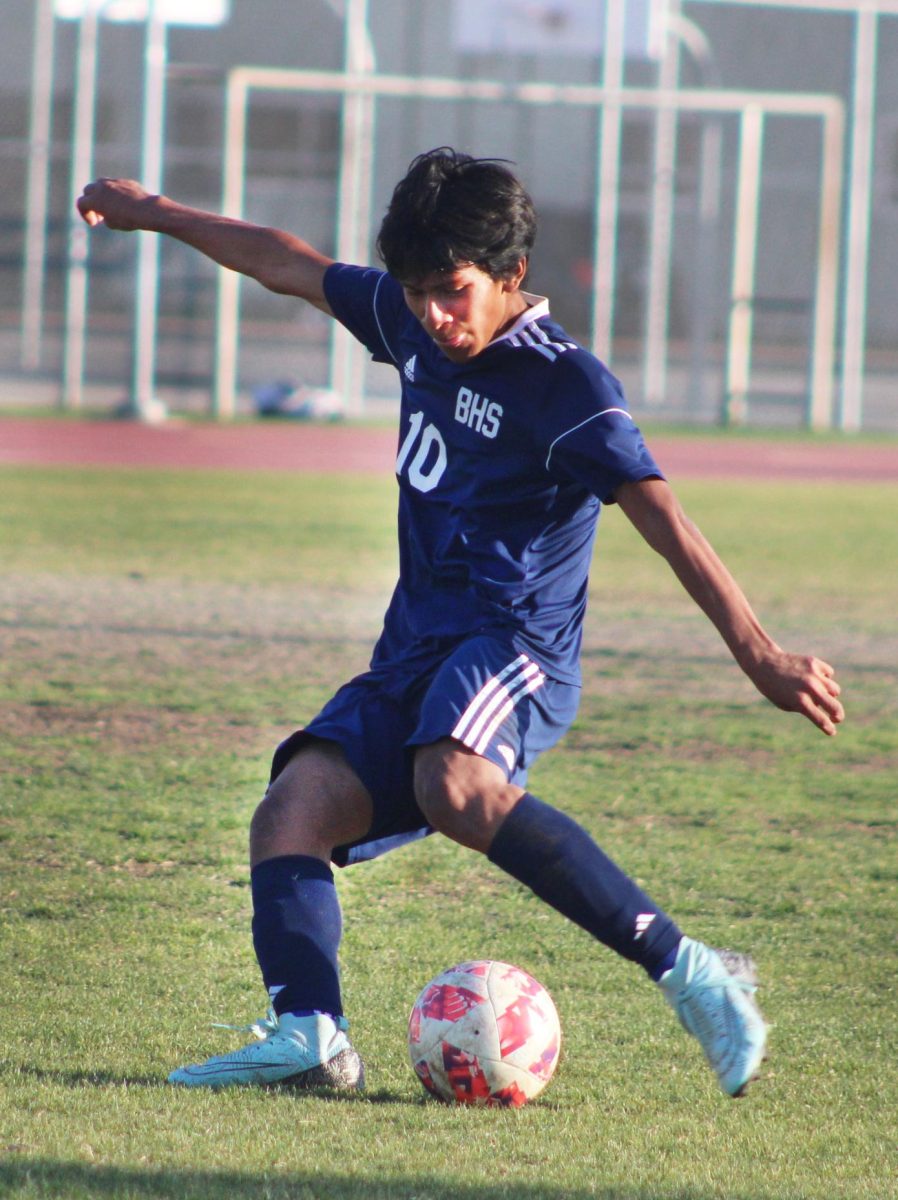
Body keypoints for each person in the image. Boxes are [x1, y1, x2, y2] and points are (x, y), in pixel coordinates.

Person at [77, 148, 844, 1100]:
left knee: (453, 779)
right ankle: (309, 1035)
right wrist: (153, 211)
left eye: (453, 291)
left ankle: (694, 974)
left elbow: (663, 517)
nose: (434, 315)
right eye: (416, 291)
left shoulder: (566, 386)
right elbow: (285, 261)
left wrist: (761, 656)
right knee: (293, 808)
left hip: (513, 645)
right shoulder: (410, 319)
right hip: (416, 647)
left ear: (512, 276)